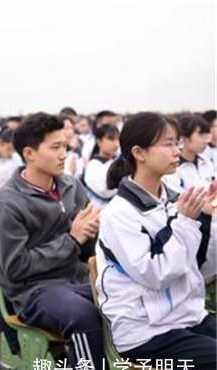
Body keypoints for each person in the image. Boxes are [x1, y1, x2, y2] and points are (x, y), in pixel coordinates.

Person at [0, 112, 105, 369]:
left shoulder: (71, 185)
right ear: (29, 153)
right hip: (34, 292)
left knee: (128, 300)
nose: (64, 154)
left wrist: (93, 231)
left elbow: (87, 247)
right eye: (55, 147)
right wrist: (72, 239)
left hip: (79, 278)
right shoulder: (7, 203)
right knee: (84, 317)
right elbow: (14, 268)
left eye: (65, 145)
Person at [97, 112, 216, 369]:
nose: (177, 151)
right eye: (168, 144)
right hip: (145, 333)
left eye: (177, 143)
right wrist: (185, 222)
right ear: (139, 153)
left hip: (186, 317)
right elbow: (156, 274)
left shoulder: (173, 199)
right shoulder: (120, 213)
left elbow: (202, 268)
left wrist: (208, 217)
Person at [163, 114, 213, 192]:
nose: (205, 141)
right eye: (201, 135)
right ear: (184, 138)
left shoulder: (207, 162)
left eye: (206, 136)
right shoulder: (173, 168)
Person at [82, 124, 120, 207]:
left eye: (118, 139)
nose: (116, 144)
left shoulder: (117, 162)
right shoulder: (93, 165)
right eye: (111, 139)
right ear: (99, 142)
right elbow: (104, 191)